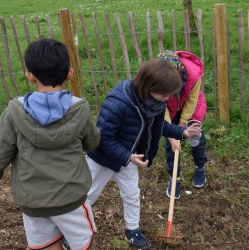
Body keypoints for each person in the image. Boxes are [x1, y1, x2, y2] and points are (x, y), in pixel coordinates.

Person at [0, 38, 100, 250]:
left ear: (30, 76)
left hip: (32, 200)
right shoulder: (79, 110)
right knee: (82, 244)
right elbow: (92, 143)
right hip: (71, 198)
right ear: (69, 73)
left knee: (45, 245)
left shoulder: (14, 112)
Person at [85, 59, 201, 250]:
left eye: (169, 96)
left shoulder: (155, 103)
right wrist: (127, 157)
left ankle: (132, 230)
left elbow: (159, 125)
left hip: (130, 158)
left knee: (132, 194)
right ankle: (76, 231)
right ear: (148, 86)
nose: (166, 99)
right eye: (164, 95)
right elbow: (102, 138)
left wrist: (183, 133)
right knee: (88, 196)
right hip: (103, 159)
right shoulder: (117, 104)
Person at [157, 50, 208, 200]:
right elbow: (161, 108)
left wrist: (182, 125)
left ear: (179, 73)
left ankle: (200, 167)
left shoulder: (193, 74)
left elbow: (192, 100)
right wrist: (174, 135)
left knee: (195, 138)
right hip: (169, 110)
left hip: (191, 107)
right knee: (171, 145)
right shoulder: (157, 80)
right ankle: (175, 177)